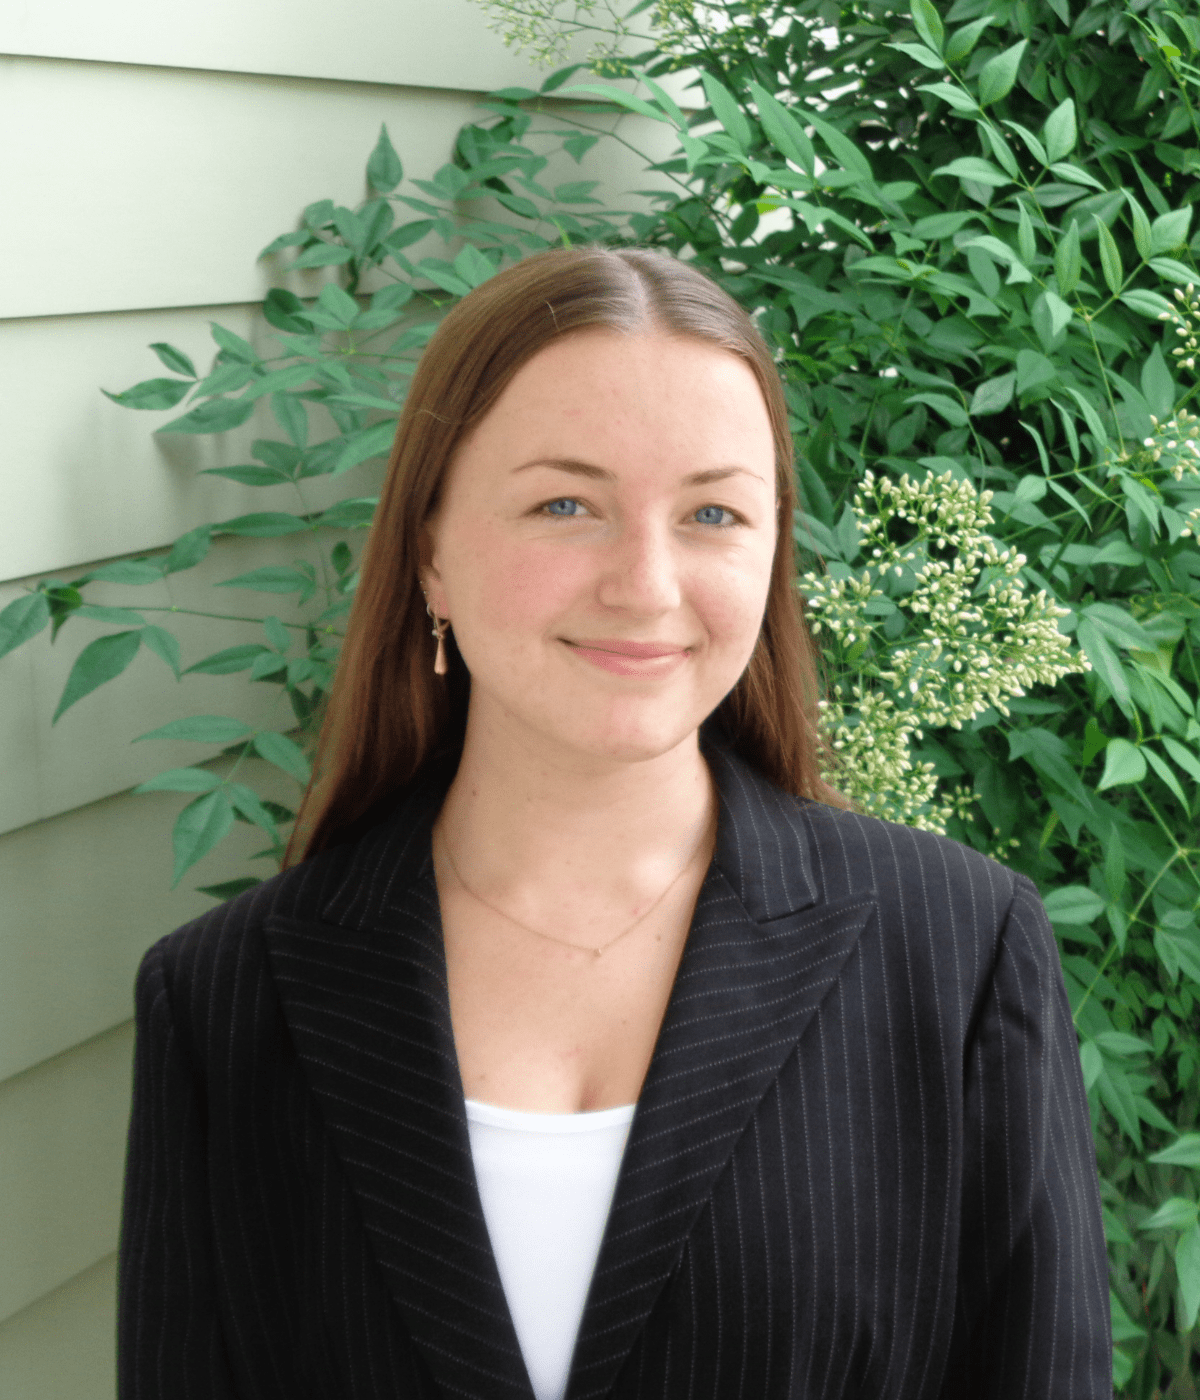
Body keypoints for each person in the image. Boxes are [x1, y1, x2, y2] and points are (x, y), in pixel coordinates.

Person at [118, 246, 1112, 1400]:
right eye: (565, 503)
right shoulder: (225, 999)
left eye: (713, 511)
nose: (646, 582)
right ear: (429, 548)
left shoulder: (959, 950)